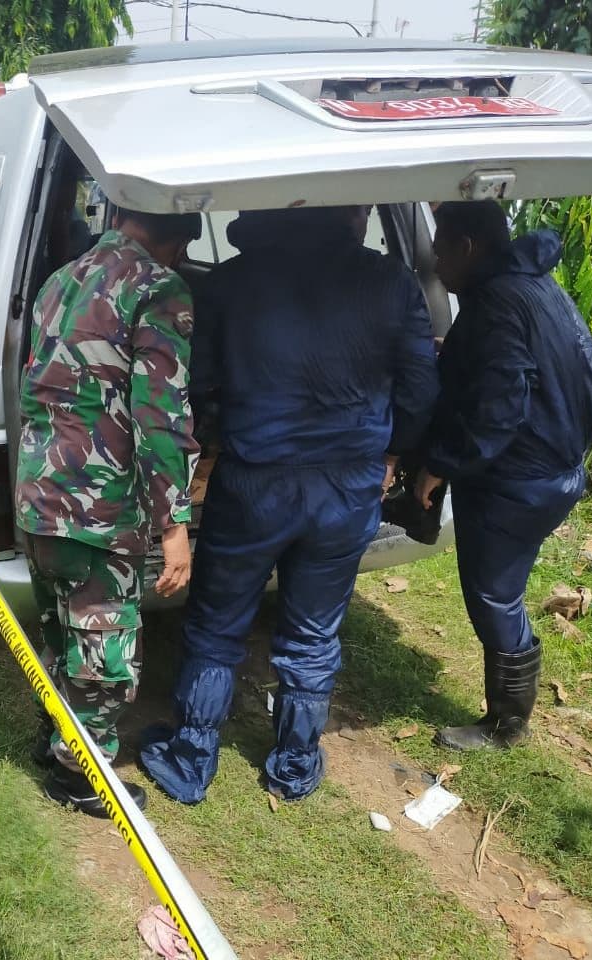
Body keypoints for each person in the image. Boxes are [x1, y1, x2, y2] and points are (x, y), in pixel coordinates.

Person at [139, 206, 440, 804]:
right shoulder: (391, 281)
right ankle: (296, 762)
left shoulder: (229, 283)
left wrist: (222, 439)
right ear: (349, 212)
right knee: (312, 630)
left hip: (256, 482)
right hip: (350, 486)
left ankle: (193, 756)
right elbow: (421, 389)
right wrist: (394, 451)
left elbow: (198, 388)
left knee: (219, 623)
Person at [16, 208, 202, 816]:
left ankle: (57, 741)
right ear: (179, 240)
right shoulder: (159, 288)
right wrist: (174, 525)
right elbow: (161, 416)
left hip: (41, 494)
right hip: (99, 508)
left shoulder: (62, 278)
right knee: (104, 657)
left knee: (59, 631)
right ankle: (79, 775)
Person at [415, 201, 592, 751]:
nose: (433, 263)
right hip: (556, 466)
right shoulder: (534, 285)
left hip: (519, 480)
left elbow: (498, 409)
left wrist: (438, 463)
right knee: (502, 591)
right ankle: (507, 716)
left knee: (494, 595)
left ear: (467, 247)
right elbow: (570, 368)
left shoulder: (497, 300)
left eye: (440, 248)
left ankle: (506, 724)